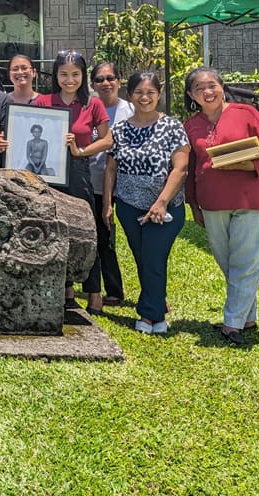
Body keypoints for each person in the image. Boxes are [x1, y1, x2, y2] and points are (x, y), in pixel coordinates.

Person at [184, 66, 259, 346]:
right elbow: (190, 169)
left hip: (252, 199)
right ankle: (247, 316)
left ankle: (232, 323)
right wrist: (193, 204)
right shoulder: (190, 126)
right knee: (228, 262)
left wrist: (248, 163)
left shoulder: (246, 113)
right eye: (199, 88)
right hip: (213, 203)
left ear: (222, 86)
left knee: (247, 262)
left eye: (212, 85)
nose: (207, 91)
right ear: (191, 95)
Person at [104, 72, 189, 334]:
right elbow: (110, 168)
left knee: (153, 257)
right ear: (130, 95)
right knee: (143, 258)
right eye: (139, 92)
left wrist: (161, 203)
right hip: (129, 206)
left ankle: (150, 315)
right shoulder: (119, 129)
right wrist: (108, 204)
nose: (144, 97)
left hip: (166, 208)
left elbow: (181, 168)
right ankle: (157, 305)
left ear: (158, 94)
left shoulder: (172, 126)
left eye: (150, 92)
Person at [35, 50, 113, 313]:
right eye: (63, 74)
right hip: (48, 174)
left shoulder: (93, 104)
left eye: (75, 74)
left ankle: (94, 291)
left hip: (79, 171)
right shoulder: (43, 102)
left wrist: (81, 150)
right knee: (57, 230)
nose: (69, 80)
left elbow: (107, 140)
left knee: (87, 230)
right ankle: (66, 290)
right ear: (56, 75)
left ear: (83, 76)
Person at [89, 59, 132, 308]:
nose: (105, 83)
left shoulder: (131, 110)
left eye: (110, 78)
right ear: (93, 85)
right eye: (99, 79)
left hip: (127, 186)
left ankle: (155, 294)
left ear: (119, 81)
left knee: (140, 243)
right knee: (103, 239)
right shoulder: (88, 108)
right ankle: (113, 291)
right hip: (95, 184)